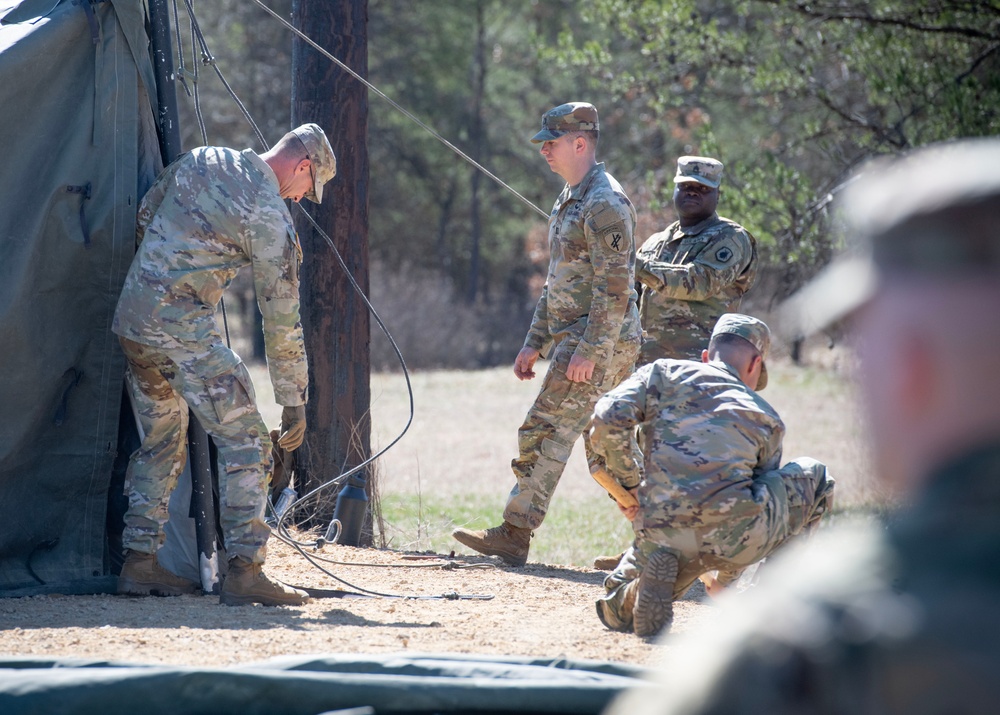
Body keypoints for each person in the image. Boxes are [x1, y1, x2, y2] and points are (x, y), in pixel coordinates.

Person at [604, 137, 1000, 714]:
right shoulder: (664, 239)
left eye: (867, 343)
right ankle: (682, 564)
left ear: (912, 369)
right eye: (682, 187)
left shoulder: (834, 620)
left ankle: (678, 570)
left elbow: (695, 285)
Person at [112, 124, 337, 607]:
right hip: (180, 331)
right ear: (303, 166)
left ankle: (139, 563)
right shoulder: (269, 214)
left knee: (162, 441)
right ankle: (246, 570)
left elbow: (146, 211)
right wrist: (294, 401)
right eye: (307, 189)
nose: (301, 199)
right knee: (249, 440)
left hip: (133, 319)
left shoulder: (206, 157)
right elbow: (281, 319)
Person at [451, 102, 642, 567]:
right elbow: (561, 282)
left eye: (550, 142)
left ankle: (515, 533)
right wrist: (534, 340)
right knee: (607, 450)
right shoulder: (571, 197)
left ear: (580, 143)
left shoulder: (605, 203)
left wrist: (590, 352)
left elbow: (616, 290)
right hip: (577, 339)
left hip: (599, 342)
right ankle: (665, 536)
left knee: (550, 430)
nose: (543, 151)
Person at [590, 313, 834, 636]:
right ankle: (767, 606)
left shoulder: (662, 374)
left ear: (706, 356)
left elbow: (606, 418)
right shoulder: (766, 417)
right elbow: (761, 499)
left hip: (665, 530)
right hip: (734, 538)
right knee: (817, 479)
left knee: (613, 608)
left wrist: (632, 486)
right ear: (755, 364)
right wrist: (726, 583)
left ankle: (640, 589)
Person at [635, 156, 757, 365]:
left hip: (697, 369)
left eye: (703, 189)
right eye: (686, 186)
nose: (692, 192)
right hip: (647, 368)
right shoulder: (655, 242)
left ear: (718, 195)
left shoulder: (731, 237)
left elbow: (699, 282)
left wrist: (635, 265)